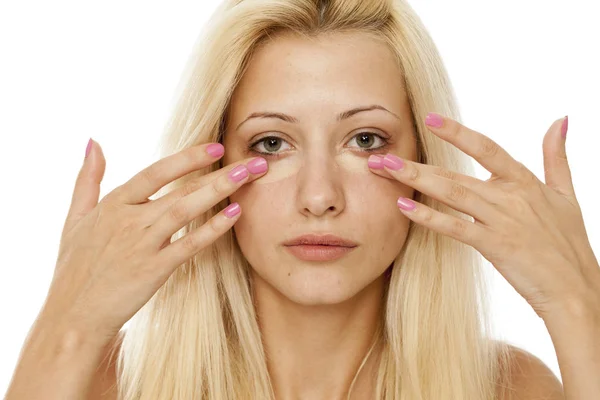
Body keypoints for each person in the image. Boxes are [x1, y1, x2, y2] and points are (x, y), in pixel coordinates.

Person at [12, 0, 600, 399]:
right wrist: (69, 325)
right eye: (272, 143)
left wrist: (578, 307)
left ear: (423, 165)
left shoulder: (507, 389)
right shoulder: (102, 387)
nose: (319, 197)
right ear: (212, 161)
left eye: (365, 140)